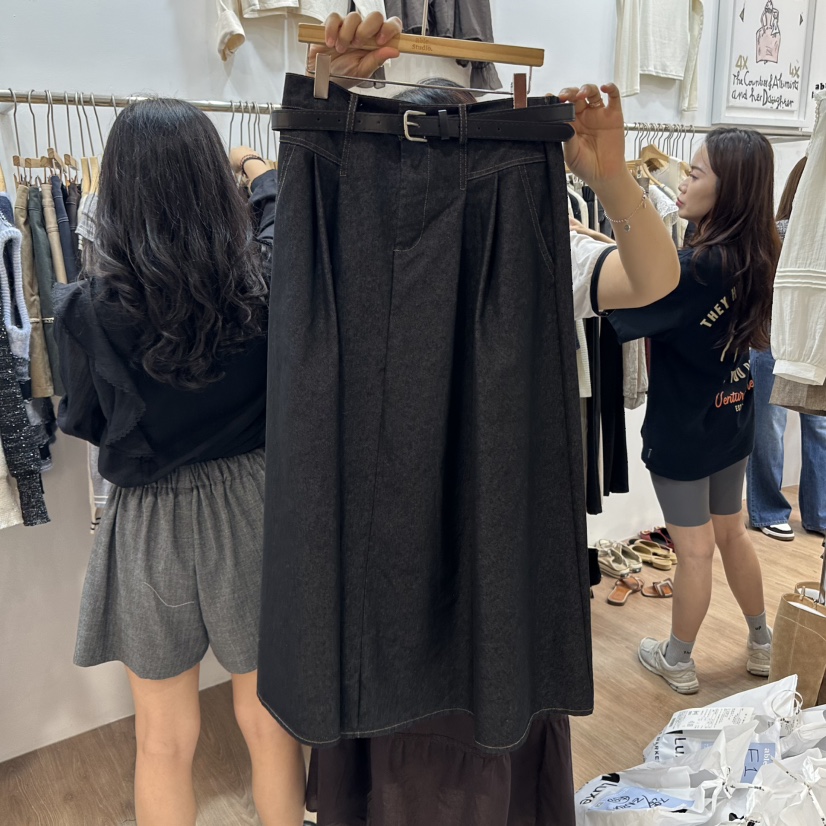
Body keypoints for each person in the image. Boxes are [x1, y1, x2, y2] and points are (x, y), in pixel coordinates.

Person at [288, 14, 681, 826]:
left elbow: (652, 280)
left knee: (483, 718)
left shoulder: (532, 238)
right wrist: (331, 99)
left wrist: (611, 179)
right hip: (389, 577)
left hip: (495, 560)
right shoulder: (339, 234)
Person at [53, 100, 306, 826]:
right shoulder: (264, 281)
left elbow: (84, 421)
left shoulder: (86, 307)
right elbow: (280, 208)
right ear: (210, 182)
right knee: (269, 720)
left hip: (149, 521)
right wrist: (251, 162)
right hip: (253, 505)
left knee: (162, 739)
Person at [583, 127, 781, 694]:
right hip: (732, 412)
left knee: (693, 550)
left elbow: (627, 296)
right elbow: (663, 270)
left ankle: (678, 657)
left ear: (728, 189)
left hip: (684, 428)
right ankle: (762, 642)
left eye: (695, 174)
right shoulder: (759, 250)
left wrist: (588, 246)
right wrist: (597, 235)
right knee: (732, 533)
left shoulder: (694, 268)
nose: (682, 182)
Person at [747, 156, 826, 542]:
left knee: (819, 425)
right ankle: (767, 510)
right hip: (772, 338)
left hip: (814, 342)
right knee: (768, 428)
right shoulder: (777, 233)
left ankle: (819, 512)